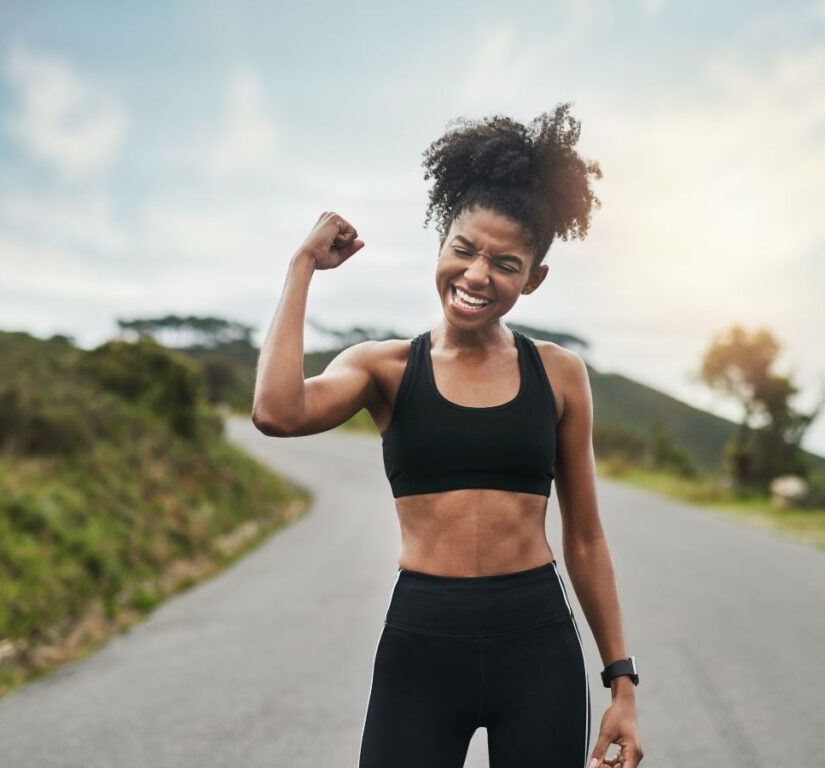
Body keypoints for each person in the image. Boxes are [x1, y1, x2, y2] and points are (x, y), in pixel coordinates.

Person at [252, 102, 644, 768]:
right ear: (441, 243)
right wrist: (300, 268)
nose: (476, 275)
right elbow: (277, 412)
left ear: (534, 278)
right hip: (422, 645)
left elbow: (585, 536)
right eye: (463, 249)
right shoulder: (385, 368)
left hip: (539, 649)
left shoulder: (560, 376)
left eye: (505, 263)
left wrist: (622, 682)